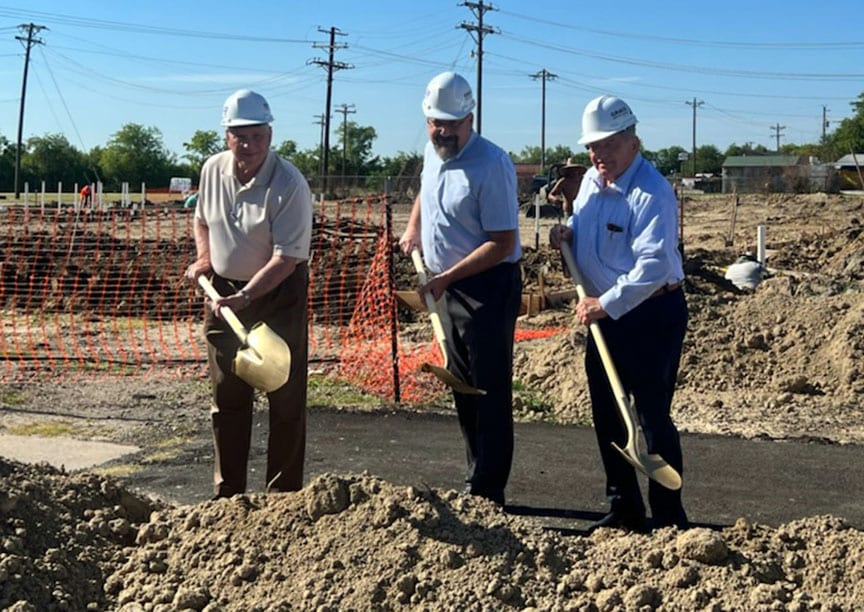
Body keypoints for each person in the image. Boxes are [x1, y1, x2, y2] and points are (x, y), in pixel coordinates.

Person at [549, 95, 689, 531]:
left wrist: (605, 303)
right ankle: (624, 507)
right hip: (604, 317)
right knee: (608, 414)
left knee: (650, 416)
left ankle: (668, 517)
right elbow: (588, 233)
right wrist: (567, 235)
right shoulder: (592, 182)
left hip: (651, 313)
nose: (600, 154)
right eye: (594, 146)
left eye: (609, 144)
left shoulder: (652, 193)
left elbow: (654, 266)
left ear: (633, 142)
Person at [399, 71, 523, 506]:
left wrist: (447, 278)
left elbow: (501, 242)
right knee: (463, 386)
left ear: (470, 117)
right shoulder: (434, 153)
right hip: (447, 286)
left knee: (487, 390)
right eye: (436, 122)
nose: (443, 131)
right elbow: (424, 191)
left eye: (452, 123)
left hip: (487, 286)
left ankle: (490, 489)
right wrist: (413, 228)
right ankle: (476, 476)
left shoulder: (491, 165)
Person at [184, 89, 313, 499]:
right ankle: (228, 495)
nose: (249, 145)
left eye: (257, 136)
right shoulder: (213, 169)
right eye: (240, 136)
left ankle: (283, 497)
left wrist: (246, 298)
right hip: (223, 291)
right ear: (227, 136)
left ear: (270, 135)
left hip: (278, 292)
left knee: (284, 393)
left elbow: (286, 258)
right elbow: (202, 220)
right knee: (227, 395)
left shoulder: (289, 183)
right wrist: (205, 258)